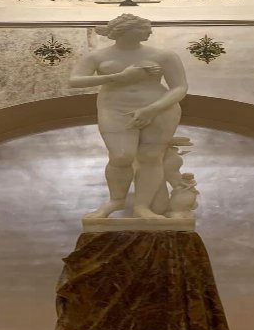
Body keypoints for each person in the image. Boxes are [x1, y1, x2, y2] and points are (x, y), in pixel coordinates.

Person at [69, 14, 188, 218]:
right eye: (142, 28)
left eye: (148, 28)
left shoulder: (165, 55)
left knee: (151, 157)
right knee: (121, 156)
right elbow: (75, 81)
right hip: (114, 108)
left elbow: (180, 87)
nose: (149, 32)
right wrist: (120, 77)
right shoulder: (97, 56)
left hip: (159, 108)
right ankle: (116, 201)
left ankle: (142, 206)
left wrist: (152, 109)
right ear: (123, 30)